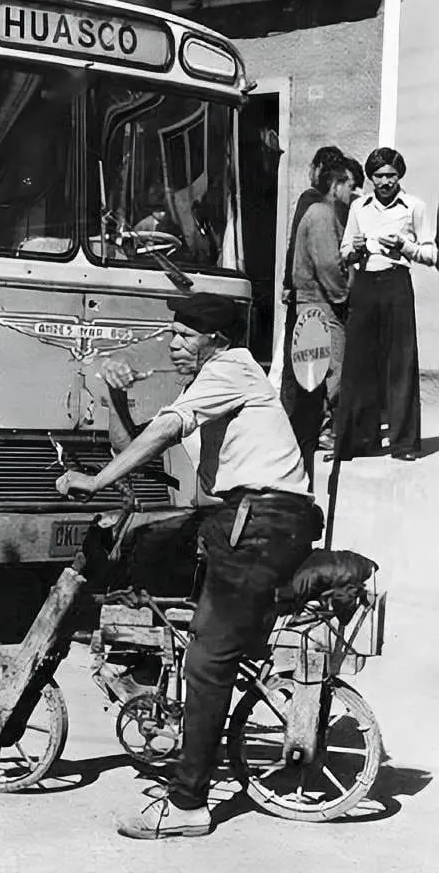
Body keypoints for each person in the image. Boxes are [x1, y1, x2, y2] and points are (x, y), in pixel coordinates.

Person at [56, 291, 316, 839]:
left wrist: (96, 482)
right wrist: (115, 397)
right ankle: (148, 680)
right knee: (143, 548)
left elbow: (165, 432)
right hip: (244, 519)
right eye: (173, 333)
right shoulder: (206, 384)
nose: (173, 343)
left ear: (214, 341)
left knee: (208, 660)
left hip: (263, 520)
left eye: (184, 336)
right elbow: (138, 443)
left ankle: (189, 805)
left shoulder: (231, 369)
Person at [337, 147, 437, 462]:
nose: (384, 182)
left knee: (400, 363)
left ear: (399, 176)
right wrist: (354, 250)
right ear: (371, 177)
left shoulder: (414, 206)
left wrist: (404, 245)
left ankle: (403, 444)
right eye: (378, 176)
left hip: (396, 284)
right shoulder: (359, 207)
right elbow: (344, 252)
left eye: (390, 176)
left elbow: (431, 254)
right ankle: (359, 442)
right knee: (359, 362)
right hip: (365, 285)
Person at [290, 159, 354, 485]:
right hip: (322, 306)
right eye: (350, 185)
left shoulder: (321, 214)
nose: (353, 192)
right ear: (336, 185)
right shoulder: (322, 215)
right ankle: (327, 432)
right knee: (332, 373)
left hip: (315, 304)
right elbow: (328, 264)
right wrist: (344, 296)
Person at [279, 146, 345, 420]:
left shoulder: (315, 203)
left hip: (306, 293)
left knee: (302, 360)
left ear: (317, 169)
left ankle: (299, 420)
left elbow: (294, 244)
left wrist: (287, 282)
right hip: (314, 295)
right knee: (310, 362)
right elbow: (306, 248)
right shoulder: (318, 206)